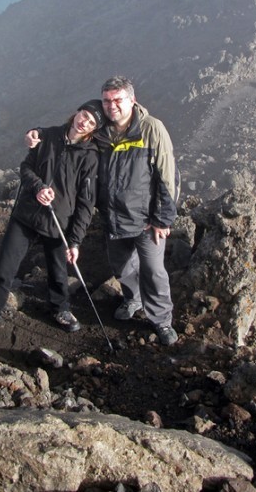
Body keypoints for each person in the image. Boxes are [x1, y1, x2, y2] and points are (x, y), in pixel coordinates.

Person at [29, 77, 181, 345]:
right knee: (121, 268)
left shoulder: (151, 129)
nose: (112, 106)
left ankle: (161, 321)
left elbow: (168, 176)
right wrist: (38, 132)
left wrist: (162, 218)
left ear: (132, 100)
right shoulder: (101, 131)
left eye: (118, 100)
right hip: (113, 217)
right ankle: (132, 299)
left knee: (153, 271)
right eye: (107, 100)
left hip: (146, 221)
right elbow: (71, 134)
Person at [0, 100, 103, 350]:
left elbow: (86, 202)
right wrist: (38, 187)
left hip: (58, 221)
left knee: (59, 272)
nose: (83, 121)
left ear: (93, 129)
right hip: (27, 215)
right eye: (83, 114)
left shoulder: (90, 157)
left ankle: (60, 309)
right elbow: (26, 167)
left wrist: (75, 240)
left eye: (91, 122)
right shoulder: (49, 135)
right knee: (5, 270)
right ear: (76, 112)